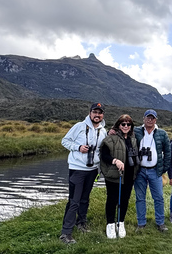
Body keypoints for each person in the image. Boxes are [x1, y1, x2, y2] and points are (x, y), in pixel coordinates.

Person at [59, 103, 107, 244]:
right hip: (77, 169)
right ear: (90, 113)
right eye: (95, 112)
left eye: (100, 113)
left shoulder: (103, 131)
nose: (97, 115)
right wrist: (78, 147)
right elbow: (65, 141)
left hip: (92, 170)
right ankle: (66, 233)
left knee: (85, 199)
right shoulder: (79, 126)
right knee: (74, 201)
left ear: (102, 115)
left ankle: (81, 223)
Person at [100, 114, 140, 239]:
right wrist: (115, 160)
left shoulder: (134, 139)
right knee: (112, 199)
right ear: (118, 125)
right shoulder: (110, 138)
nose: (126, 126)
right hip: (114, 174)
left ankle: (120, 222)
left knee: (124, 200)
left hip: (129, 175)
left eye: (128, 124)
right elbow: (104, 155)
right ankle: (110, 224)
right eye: (123, 124)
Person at [134, 109, 171, 232]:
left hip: (155, 171)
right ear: (143, 118)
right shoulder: (136, 131)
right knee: (140, 197)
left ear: (156, 120)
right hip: (140, 171)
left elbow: (167, 152)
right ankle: (141, 223)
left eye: (152, 118)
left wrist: (163, 168)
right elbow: (122, 132)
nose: (150, 120)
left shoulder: (162, 133)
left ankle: (160, 223)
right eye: (148, 118)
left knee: (159, 197)